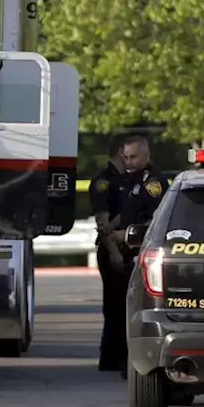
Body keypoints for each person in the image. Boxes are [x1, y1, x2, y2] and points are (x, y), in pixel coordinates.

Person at [108, 135, 169, 377]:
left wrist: (127, 234)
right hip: (125, 251)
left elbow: (155, 221)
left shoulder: (154, 183)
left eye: (133, 156)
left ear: (146, 155)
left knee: (136, 310)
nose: (129, 161)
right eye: (125, 157)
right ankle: (123, 361)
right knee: (119, 309)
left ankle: (136, 366)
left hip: (140, 253)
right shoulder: (127, 180)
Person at [90, 135, 129, 373]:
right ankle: (110, 358)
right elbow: (102, 222)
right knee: (115, 306)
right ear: (121, 153)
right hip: (112, 249)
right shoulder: (104, 181)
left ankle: (116, 356)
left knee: (120, 305)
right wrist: (114, 252)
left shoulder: (126, 180)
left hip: (122, 247)